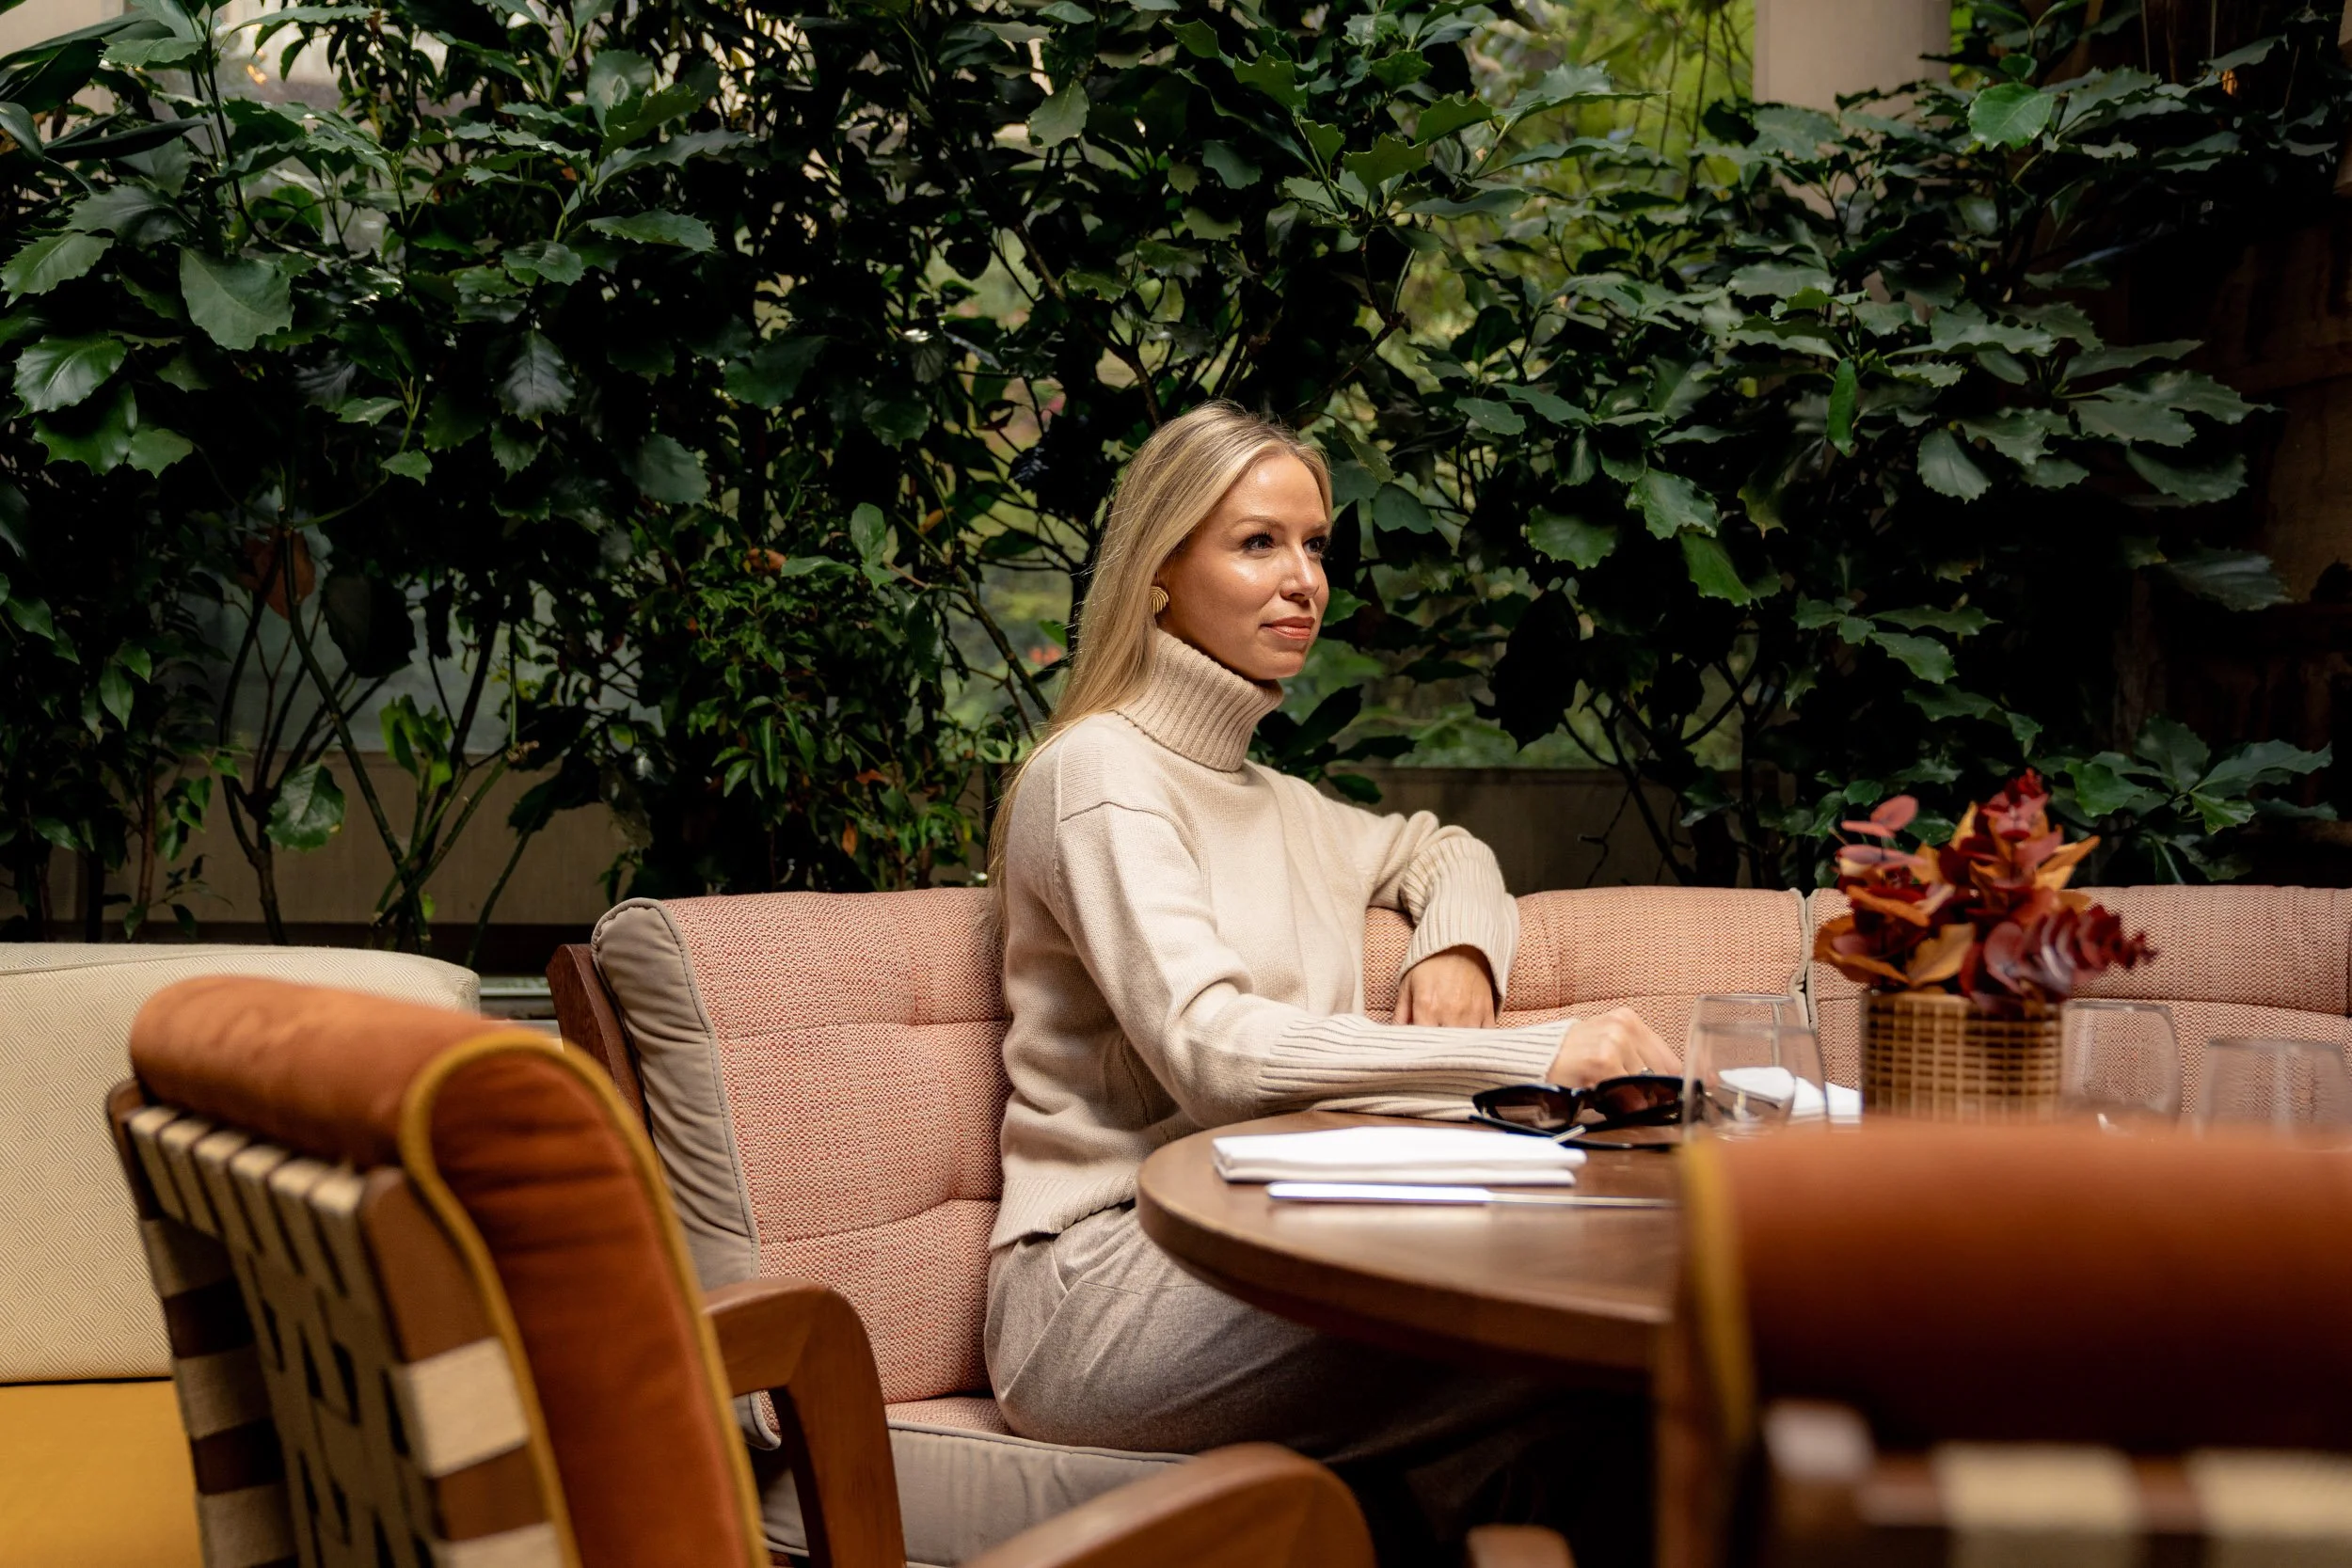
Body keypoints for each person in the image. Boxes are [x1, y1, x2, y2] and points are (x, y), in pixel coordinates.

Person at [984, 402, 1677, 1565]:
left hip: (1281, 1224)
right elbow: (1213, 1051)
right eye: (1257, 542)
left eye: (1313, 545)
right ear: (1158, 572)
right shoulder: (1097, 774)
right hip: (1105, 1279)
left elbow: (1446, 852)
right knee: (1600, 1317)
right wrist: (1533, 1051)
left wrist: (1455, 949)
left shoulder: (1279, 800)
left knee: (1609, 1389)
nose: (1303, 579)